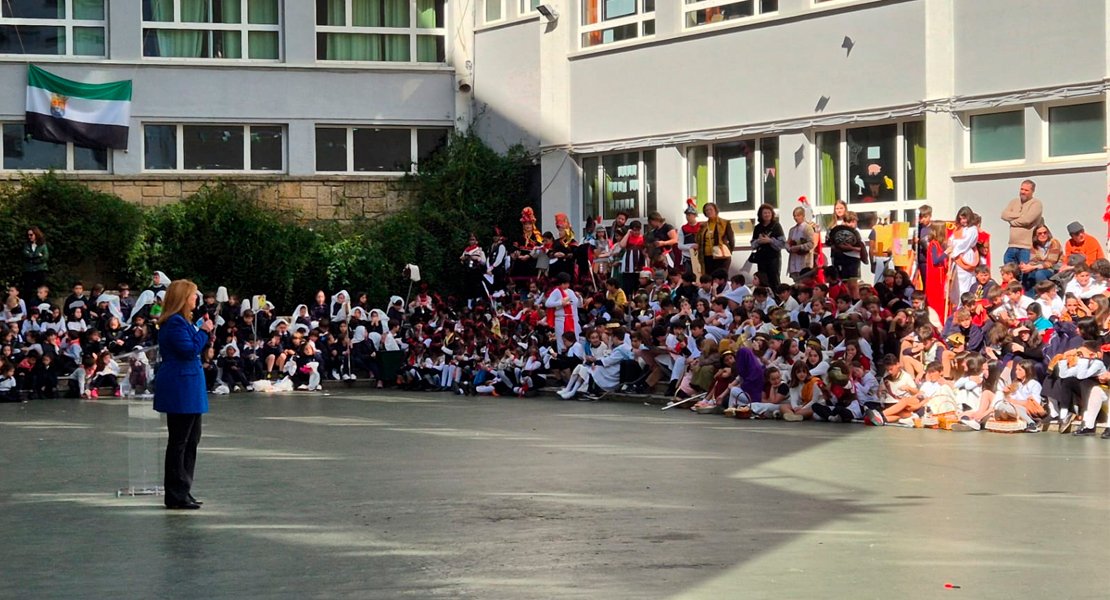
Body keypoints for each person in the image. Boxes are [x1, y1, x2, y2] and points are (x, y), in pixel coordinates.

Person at [154, 280, 214, 510]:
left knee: (191, 440)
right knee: (179, 442)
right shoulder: (175, 322)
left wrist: (201, 333)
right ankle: (175, 493)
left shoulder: (182, 322)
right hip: (181, 385)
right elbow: (188, 350)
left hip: (188, 385)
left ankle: (183, 489)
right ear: (182, 298)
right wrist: (203, 332)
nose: (196, 299)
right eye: (192, 295)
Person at [1000, 180, 1043, 268]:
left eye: (1026, 190)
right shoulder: (1014, 202)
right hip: (1012, 245)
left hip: (1026, 247)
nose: (1023, 192)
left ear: (1032, 191)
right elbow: (1004, 215)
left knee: (1024, 276)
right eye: (1022, 189)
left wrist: (1012, 221)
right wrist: (1020, 215)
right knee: (1010, 272)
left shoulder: (1036, 204)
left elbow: (1027, 219)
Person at [750, 203, 786, 288]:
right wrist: (759, 241)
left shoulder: (776, 226)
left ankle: (776, 298)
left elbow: (782, 243)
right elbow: (753, 244)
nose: (767, 215)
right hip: (761, 258)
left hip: (774, 258)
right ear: (761, 215)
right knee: (762, 280)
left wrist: (770, 241)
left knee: (774, 279)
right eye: (765, 213)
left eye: (769, 213)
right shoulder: (758, 227)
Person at [695, 203, 734, 276]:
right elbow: (698, 239)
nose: (709, 211)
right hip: (707, 257)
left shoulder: (724, 223)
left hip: (721, 256)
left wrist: (730, 250)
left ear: (715, 210)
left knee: (721, 277)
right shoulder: (703, 225)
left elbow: (731, 239)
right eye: (706, 210)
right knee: (709, 277)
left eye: (710, 209)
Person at [1021, 224, 1063, 291]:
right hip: (1040, 267)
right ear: (1036, 235)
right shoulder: (1034, 245)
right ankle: (1030, 298)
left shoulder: (1054, 243)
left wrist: (1033, 267)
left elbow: (1050, 263)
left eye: (1045, 233)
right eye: (1040, 233)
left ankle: (1046, 293)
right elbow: (1033, 261)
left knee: (1039, 274)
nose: (1043, 235)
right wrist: (1026, 266)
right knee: (1026, 274)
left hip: (1054, 269)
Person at [786, 206, 816, 283]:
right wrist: (789, 248)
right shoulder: (792, 230)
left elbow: (811, 243)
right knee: (796, 282)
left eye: (798, 215)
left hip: (804, 259)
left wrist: (800, 247)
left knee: (804, 281)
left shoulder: (808, 228)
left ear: (803, 216)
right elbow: (787, 242)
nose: (796, 218)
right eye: (794, 216)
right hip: (794, 259)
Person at [460, 233, 487, 307]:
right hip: (467, 273)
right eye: (470, 240)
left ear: (477, 241)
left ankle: (479, 305)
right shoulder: (466, 250)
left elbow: (484, 262)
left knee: (477, 291)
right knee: (469, 292)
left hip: (476, 273)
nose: (471, 241)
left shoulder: (479, 251)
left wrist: (477, 258)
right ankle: (469, 306)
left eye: (473, 240)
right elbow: (461, 260)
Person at [22, 227, 49, 295]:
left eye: (31, 235)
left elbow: (45, 257)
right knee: (27, 289)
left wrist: (34, 259)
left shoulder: (42, 245)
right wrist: (37, 255)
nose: (29, 237)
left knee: (41, 288)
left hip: (40, 269)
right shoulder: (26, 245)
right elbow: (26, 255)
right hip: (29, 270)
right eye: (28, 235)